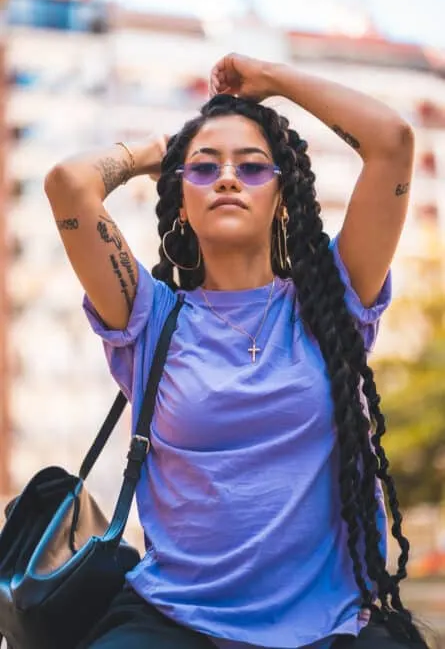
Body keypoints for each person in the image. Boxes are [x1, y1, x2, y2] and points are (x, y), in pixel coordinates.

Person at [44, 53, 429, 649]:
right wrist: (157, 152)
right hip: (174, 621)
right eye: (204, 169)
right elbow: (69, 186)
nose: (227, 177)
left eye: (252, 167)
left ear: (283, 195)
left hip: (326, 629)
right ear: (180, 202)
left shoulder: (333, 302)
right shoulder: (150, 317)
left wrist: (273, 81)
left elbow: (393, 142)